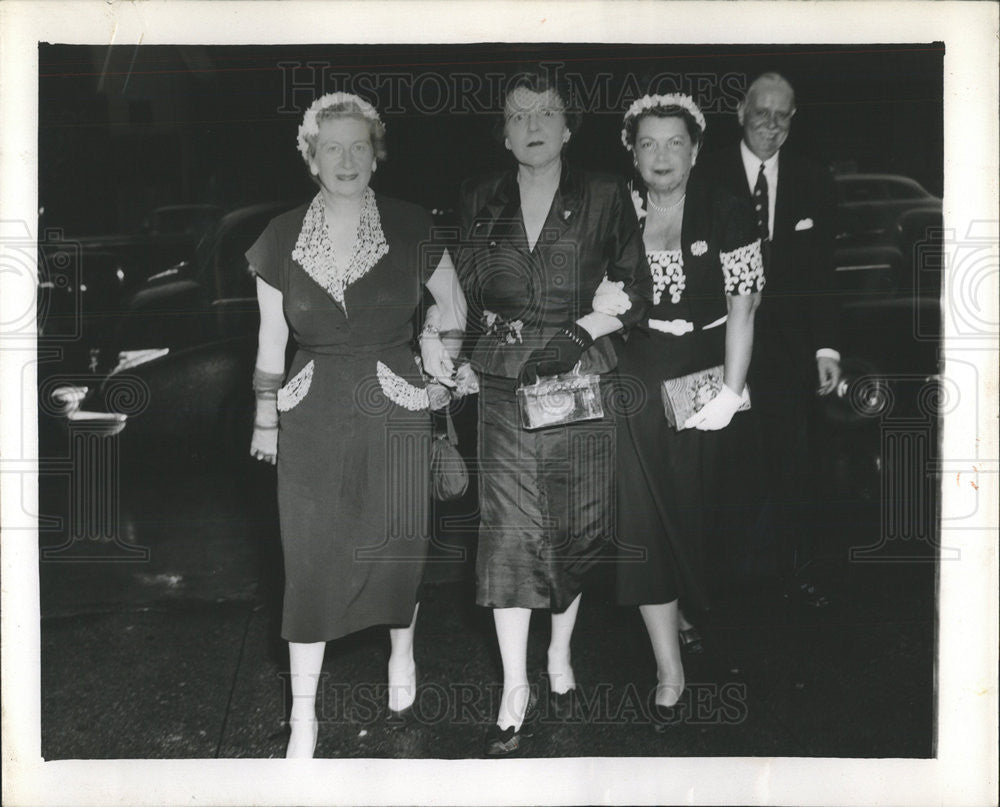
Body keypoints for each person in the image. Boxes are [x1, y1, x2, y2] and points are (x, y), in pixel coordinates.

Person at [247, 92, 467, 758]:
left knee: (400, 550)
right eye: (330, 147)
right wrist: (264, 420)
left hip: (396, 403)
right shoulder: (279, 237)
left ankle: (402, 656)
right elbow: (269, 340)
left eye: (358, 145)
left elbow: (453, 310)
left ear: (377, 152)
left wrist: (440, 365)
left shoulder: (410, 224)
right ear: (309, 157)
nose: (345, 160)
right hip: (311, 411)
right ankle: (305, 715)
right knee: (309, 561)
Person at [455, 71, 652, 756]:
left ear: (569, 128)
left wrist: (584, 330)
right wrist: (450, 349)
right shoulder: (480, 199)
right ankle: (515, 686)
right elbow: (464, 288)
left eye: (547, 113)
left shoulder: (603, 196)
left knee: (573, 531)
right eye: (518, 115)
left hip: (575, 376)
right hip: (506, 383)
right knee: (508, 535)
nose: (532, 123)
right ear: (504, 133)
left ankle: (559, 651)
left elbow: (633, 282)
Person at [595, 93, 764, 728]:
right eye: (648, 144)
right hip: (635, 377)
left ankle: (694, 603)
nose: (661, 156)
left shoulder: (725, 206)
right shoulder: (617, 208)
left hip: (708, 370)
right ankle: (670, 668)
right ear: (632, 152)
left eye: (674, 143)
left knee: (697, 515)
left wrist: (730, 390)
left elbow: (744, 308)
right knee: (640, 516)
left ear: (695, 151)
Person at [700, 73, 841, 607]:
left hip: (786, 353)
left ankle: (792, 573)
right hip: (718, 346)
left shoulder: (813, 179)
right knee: (722, 464)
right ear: (741, 112)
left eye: (783, 115)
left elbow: (825, 272)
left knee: (789, 463)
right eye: (763, 112)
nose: (772, 125)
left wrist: (826, 349)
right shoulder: (706, 172)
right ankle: (715, 583)